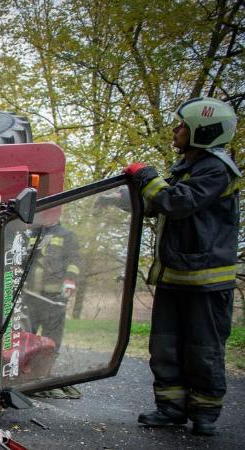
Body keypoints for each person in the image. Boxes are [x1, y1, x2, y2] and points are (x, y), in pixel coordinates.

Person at [124, 96, 240, 436]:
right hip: (175, 278)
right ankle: (170, 409)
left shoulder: (217, 169)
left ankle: (205, 414)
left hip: (206, 284)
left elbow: (177, 202)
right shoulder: (187, 169)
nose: (175, 130)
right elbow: (160, 204)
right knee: (165, 347)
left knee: (203, 350)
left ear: (203, 132)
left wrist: (146, 177)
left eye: (183, 126)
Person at [23, 221, 81, 354]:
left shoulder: (66, 235)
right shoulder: (29, 234)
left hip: (53, 298)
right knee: (24, 336)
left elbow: (75, 260)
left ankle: (46, 368)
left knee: (51, 338)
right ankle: (23, 367)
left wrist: (70, 279)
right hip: (29, 296)